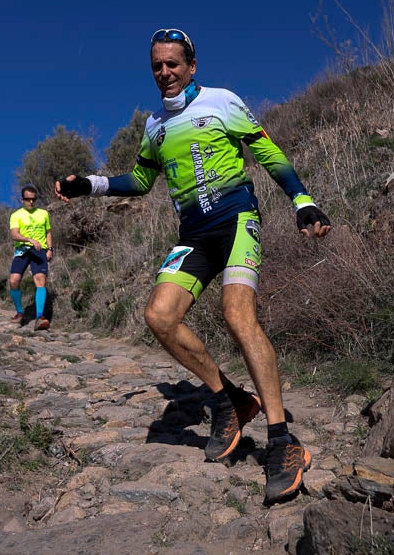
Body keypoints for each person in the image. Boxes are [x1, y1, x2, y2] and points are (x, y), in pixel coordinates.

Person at [55, 26, 331, 506]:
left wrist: (302, 201)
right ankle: (231, 400)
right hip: (194, 237)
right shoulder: (153, 127)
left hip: (238, 219)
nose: (165, 73)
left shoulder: (223, 101)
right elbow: (141, 180)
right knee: (159, 316)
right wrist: (91, 186)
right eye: (157, 66)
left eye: (173, 64)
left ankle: (283, 440)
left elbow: (265, 150)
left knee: (236, 314)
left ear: (192, 66)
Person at [8, 184, 53, 330]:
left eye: (33, 199)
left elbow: (48, 232)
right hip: (22, 250)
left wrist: (50, 249)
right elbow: (14, 234)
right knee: (14, 281)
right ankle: (20, 312)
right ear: (22, 199)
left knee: (40, 280)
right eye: (28, 199)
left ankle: (40, 317)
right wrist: (28, 239)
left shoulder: (43, 213)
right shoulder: (16, 215)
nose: (31, 202)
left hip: (40, 250)